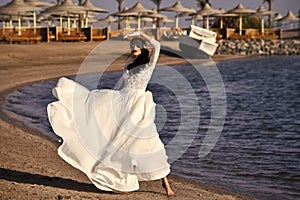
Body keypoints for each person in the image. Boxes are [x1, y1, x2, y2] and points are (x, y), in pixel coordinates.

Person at [47, 31, 174, 196]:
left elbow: (157, 45)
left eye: (136, 45)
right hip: (121, 102)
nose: (134, 47)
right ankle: (118, 180)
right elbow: (120, 87)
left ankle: (166, 185)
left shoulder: (149, 65)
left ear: (143, 47)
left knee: (151, 143)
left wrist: (141, 34)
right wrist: (108, 107)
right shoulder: (128, 67)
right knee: (118, 143)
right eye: (132, 45)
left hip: (137, 106)